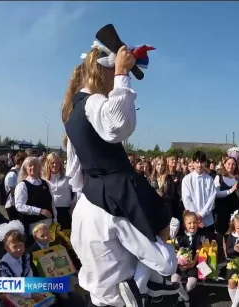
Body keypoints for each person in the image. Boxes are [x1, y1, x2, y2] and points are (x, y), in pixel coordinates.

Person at [62, 38, 177, 307]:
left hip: (89, 200)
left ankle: (141, 285)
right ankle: (137, 286)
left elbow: (74, 166)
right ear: (103, 71)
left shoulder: (70, 113)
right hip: (114, 192)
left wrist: (85, 195)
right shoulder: (93, 103)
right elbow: (117, 126)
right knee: (161, 235)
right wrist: (122, 76)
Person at [181, 151, 217, 239]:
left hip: (207, 220)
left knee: (209, 248)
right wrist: (196, 217)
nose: (199, 165)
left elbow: (211, 200)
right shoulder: (187, 179)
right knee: (193, 249)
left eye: (202, 162)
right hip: (192, 222)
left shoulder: (209, 180)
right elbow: (187, 199)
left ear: (205, 163)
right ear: (193, 163)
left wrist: (201, 215)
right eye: (197, 162)